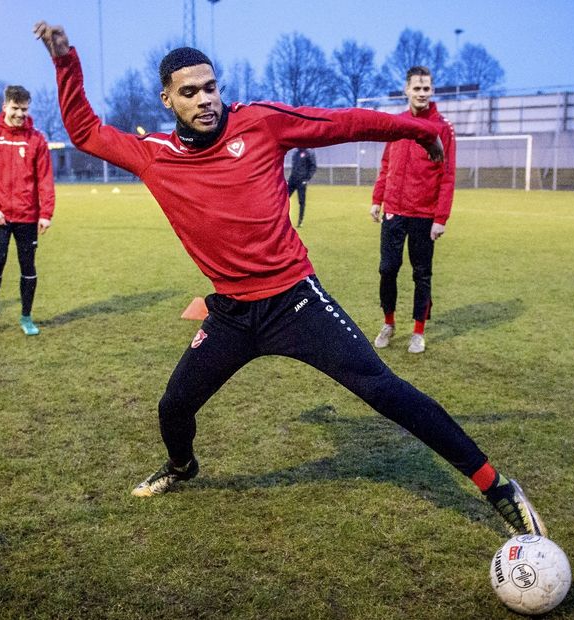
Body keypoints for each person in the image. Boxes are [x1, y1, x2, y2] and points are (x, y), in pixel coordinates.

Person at [34, 21, 545, 537]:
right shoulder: (154, 156)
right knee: (174, 406)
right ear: (167, 100)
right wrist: (65, 61)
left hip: (295, 302)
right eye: (190, 92)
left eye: (211, 88)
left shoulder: (260, 124)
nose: (205, 100)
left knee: (384, 389)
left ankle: (496, 485)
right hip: (231, 315)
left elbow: (341, 123)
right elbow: (84, 131)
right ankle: (182, 467)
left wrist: (417, 128)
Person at [370, 66, 456, 354]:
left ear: (432, 91)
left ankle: (418, 330)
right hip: (394, 210)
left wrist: (440, 218)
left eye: (426, 89)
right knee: (387, 269)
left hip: (424, 214)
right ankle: (389, 322)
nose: (421, 94)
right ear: (406, 89)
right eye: (416, 89)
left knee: (422, 274)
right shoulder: (397, 124)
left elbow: (448, 175)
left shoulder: (442, 128)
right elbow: (386, 166)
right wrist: (377, 199)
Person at [0, 85, 56, 336]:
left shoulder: (37, 138)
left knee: (27, 266)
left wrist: (46, 213)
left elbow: (45, 178)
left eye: (24, 109)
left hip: (27, 215)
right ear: (5, 106)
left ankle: (26, 317)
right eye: (15, 108)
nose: (20, 113)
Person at [287, 147, 316, 227]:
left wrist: (306, 179)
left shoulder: (309, 153)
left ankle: (300, 221)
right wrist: (289, 179)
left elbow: (313, 167)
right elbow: (294, 168)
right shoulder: (295, 153)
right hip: (292, 180)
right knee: (284, 199)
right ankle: (283, 218)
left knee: (301, 202)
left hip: (301, 181)